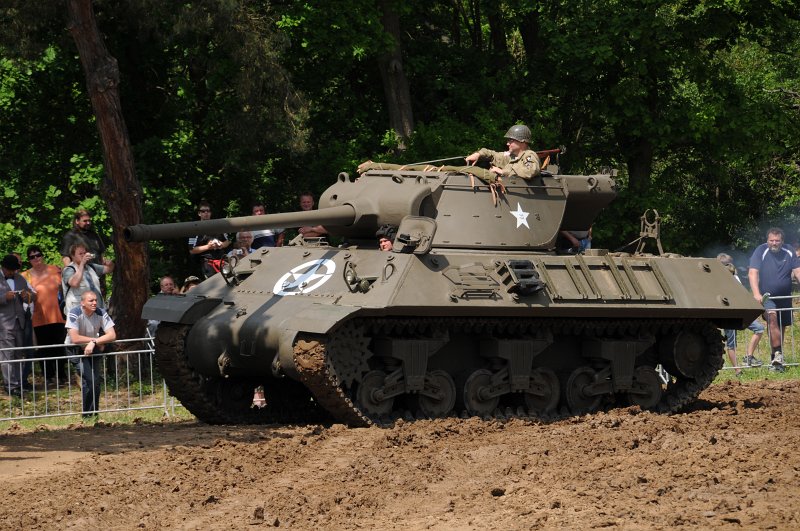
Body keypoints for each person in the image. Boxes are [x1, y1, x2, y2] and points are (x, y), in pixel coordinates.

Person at [748, 228, 800, 371]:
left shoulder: (789, 251)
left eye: (777, 241)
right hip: (767, 296)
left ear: (782, 241)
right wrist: (756, 293)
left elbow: (798, 271)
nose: (774, 243)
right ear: (767, 241)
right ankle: (777, 355)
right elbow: (753, 272)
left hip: (785, 296)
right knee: (772, 317)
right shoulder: (761, 250)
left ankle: (776, 359)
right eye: (771, 240)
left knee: (780, 326)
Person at [22, 246, 69, 385]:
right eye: (32, 257)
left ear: (42, 255)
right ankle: (48, 377)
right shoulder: (25, 276)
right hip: (38, 316)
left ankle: (61, 375)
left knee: (59, 346)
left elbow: (66, 285)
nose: (36, 258)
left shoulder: (55, 269)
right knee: (44, 348)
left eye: (38, 255)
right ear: (29, 260)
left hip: (57, 314)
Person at [65, 290, 116, 419]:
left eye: (95, 300)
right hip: (76, 349)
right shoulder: (74, 312)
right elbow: (75, 338)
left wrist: (94, 342)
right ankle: (87, 414)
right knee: (90, 380)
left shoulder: (101, 312)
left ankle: (93, 414)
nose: (94, 303)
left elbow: (112, 335)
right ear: (82, 303)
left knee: (95, 382)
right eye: (91, 301)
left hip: (93, 348)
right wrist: (93, 341)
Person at [717, 253, 764, 374]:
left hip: (741, 312)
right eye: (727, 264)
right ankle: (737, 370)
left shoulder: (735, 277)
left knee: (759, 329)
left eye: (730, 263)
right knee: (731, 343)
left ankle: (748, 357)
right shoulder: (717, 280)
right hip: (728, 315)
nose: (730, 265)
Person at [0, 254, 37, 397]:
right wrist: (4, 298)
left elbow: (33, 296)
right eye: (10, 270)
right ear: (4, 267)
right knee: (7, 354)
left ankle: (18, 383)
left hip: (19, 322)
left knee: (17, 353)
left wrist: (26, 295)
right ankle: (10, 386)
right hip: (3, 323)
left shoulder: (20, 278)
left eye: (14, 270)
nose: (12, 273)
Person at [465, 124, 541, 181]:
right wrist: (478, 154)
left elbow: (530, 171)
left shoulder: (529, 155)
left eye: (511, 141)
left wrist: (502, 171)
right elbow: (494, 155)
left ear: (522, 141)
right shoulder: (512, 156)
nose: (507, 144)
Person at [60, 209, 109, 295]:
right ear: (77, 221)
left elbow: (101, 255)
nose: (88, 223)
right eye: (85, 221)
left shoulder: (94, 235)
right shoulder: (70, 236)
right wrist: (74, 275)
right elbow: (66, 258)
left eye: (89, 220)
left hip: (97, 275)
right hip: (81, 278)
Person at [62, 243, 113, 314]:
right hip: (78, 313)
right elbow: (74, 283)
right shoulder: (69, 269)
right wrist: (82, 264)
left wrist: (110, 264)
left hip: (96, 310)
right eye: (80, 254)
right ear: (73, 256)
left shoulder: (91, 267)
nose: (84, 255)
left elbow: (109, 269)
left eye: (85, 253)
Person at [189, 201, 230, 278]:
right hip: (207, 264)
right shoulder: (194, 228)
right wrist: (208, 247)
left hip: (222, 260)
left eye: (208, 211)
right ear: (199, 213)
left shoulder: (218, 225)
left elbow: (228, 241)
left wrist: (221, 245)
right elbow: (192, 250)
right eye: (203, 211)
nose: (206, 213)